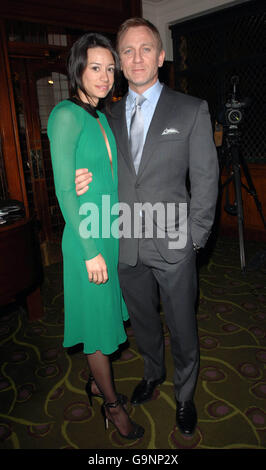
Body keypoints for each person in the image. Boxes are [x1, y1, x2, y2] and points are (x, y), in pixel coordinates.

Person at [75, 18, 219, 436]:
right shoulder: (105, 116)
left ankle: (186, 394)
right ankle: (154, 373)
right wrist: (80, 178)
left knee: (182, 324)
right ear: (119, 61)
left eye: (145, 49)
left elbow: (206, 180)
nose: (136, 58)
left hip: (175, 241)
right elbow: (94, 166)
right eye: (128, 51)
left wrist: (195, 238)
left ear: (160, 56)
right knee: (142, 322)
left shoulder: (190, 109)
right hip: (124, 242)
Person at [47, 32, 144, 440]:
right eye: (95, 68)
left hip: (108, 232)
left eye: (109, 68)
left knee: (103, 318)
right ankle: (112, 404)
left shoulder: (102, 116)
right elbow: (65, 188)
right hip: (86, 238)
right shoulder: (65, 115)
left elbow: (107, 176)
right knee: (98, 331)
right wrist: (90, 251)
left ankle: (94, 383)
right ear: (77, 70)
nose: (104, 77)